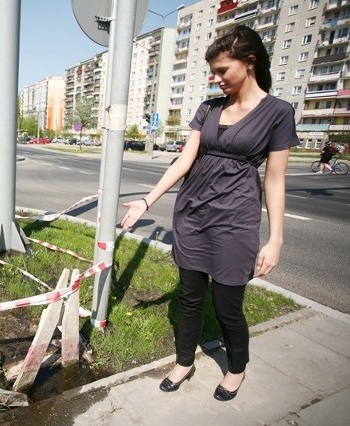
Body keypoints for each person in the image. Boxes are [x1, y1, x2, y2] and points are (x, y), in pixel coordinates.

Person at [120, 26, 299, 402]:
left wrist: (276, 239)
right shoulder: (209, 109)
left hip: (236, 220)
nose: (215, 80)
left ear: (249, 63)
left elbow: (275, 181)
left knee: (227, 305)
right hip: (193, 214)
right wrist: (147, 201)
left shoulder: (278, 113)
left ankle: (236, 368)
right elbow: (185, 160)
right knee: (189, 296)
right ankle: (184, 361)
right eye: (212, 73)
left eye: (222, 71)